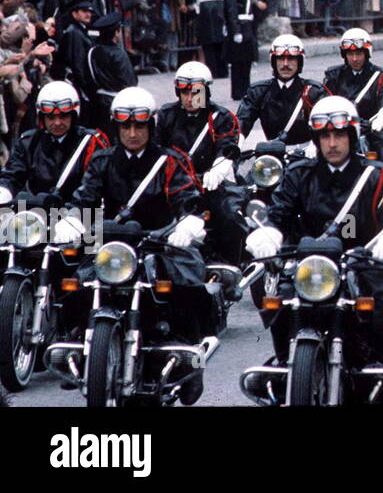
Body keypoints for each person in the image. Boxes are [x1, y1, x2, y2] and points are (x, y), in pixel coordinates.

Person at [54, 86, 214, 402]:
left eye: (139, 125)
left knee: (190, 285)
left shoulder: (168, 161)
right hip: (113, 245)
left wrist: (189, 222)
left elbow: (187, 198)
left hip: (159, 241)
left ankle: (193, 357)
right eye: (125, 126)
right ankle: (77, 347)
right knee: (75, 284)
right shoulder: (102, 160)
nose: (132, 133)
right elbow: (85, 197)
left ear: (150, 127)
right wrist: (72, 219)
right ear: (116, 127)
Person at [244, 95, 383, 367]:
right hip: (312, 266)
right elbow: (278, 212)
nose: (332, 143)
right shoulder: (300, 174)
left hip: (363, 262)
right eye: (324, 136)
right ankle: (288, 364)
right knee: (280, 302)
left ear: (352, 135)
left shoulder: (375, 174)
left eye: (338, 135)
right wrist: (268, 233)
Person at [155, 61, 244, 267]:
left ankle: (230, 265)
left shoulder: (220, 116)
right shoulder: (167, 115)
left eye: (195, 92)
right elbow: (157, 149)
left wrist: (219, 167)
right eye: (183, 92)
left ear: (206, 91)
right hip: (175, 185)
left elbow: (227, 145)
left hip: (209, 184)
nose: (189, 97)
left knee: (230, 218)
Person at [0, 81, 109, 205]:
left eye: (63, 116)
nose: (57, 123)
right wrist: (4, 191)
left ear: (73, 115)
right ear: (42, 117)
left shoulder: (90, 143)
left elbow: (93, 188)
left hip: (77, 214)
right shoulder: (29, 142)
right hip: (36, 213)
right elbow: (12, 175)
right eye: (50, 117)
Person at [322, 28, 383, 162]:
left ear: (367, 53)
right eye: (350, 54)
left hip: (373, 129)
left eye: (359, 53)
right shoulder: (333, 75)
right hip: (340, 128)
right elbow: (324, 100)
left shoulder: (381, 75)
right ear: (344, 54)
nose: (354, 58)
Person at [236, 34, 328, 147]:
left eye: (291, 59)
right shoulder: (259, 91)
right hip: (272, 154)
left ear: (299, 62)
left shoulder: (314, 91)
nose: (285, 64)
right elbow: (243, 121)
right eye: (280, 58)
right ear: (273, 61)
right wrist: (236, 144)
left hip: (306, 155)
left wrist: (315, 146)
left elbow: (326, 124)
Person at [84, 12, 138, 132]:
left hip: (98, 101)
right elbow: (130, 83)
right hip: (117, 101)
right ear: (116, 32)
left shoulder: (92, 50)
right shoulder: (118, 54)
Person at [223, 0, 265, 101]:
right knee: (237, 63)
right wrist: (235, 31)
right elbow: (231, 10)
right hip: (239, 25)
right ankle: (238, 92)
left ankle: (245, 89)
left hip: (247, 24)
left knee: (246, 61)